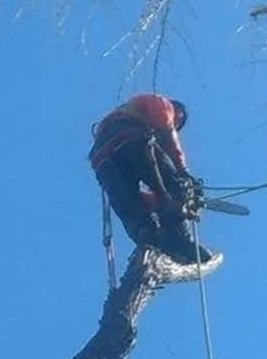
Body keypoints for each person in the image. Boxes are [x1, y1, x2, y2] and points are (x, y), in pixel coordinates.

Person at [88, 92, 215, 264]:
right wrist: (183, 174)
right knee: (176, 186)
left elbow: (134, 197)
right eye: (178, 124)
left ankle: (151, 242)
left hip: (101, 158)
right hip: (130, 138)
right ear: (178, 112)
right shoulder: (161, 103)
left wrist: (158, 202)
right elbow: (167, 132)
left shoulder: (124, 113)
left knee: (134, 213)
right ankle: (179, 239)